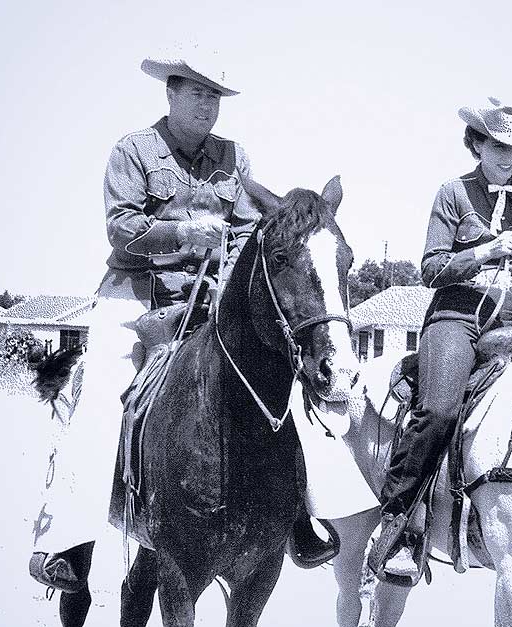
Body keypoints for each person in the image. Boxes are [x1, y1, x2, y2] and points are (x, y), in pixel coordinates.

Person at [29, 56, 332, 593]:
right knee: (100, 401)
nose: (207, 104)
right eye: (197, 92)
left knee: (284, 381)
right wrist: (188, 235)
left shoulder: (235, 159)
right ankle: (66, 543)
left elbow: (247, 233)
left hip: (210, 301)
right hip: (136, 299)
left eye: (215, 96)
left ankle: (303, 519)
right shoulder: (132, 151)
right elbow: (121, 230)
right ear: (170, 94)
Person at [366, 97, 512, 584]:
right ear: (479, 143)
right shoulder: (453, 193)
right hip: (455, 313)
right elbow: (431, 269)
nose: (508, 157)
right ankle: (400, 523)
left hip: (511, 319)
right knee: (441, 410)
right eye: (499, 146)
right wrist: (487, 250)